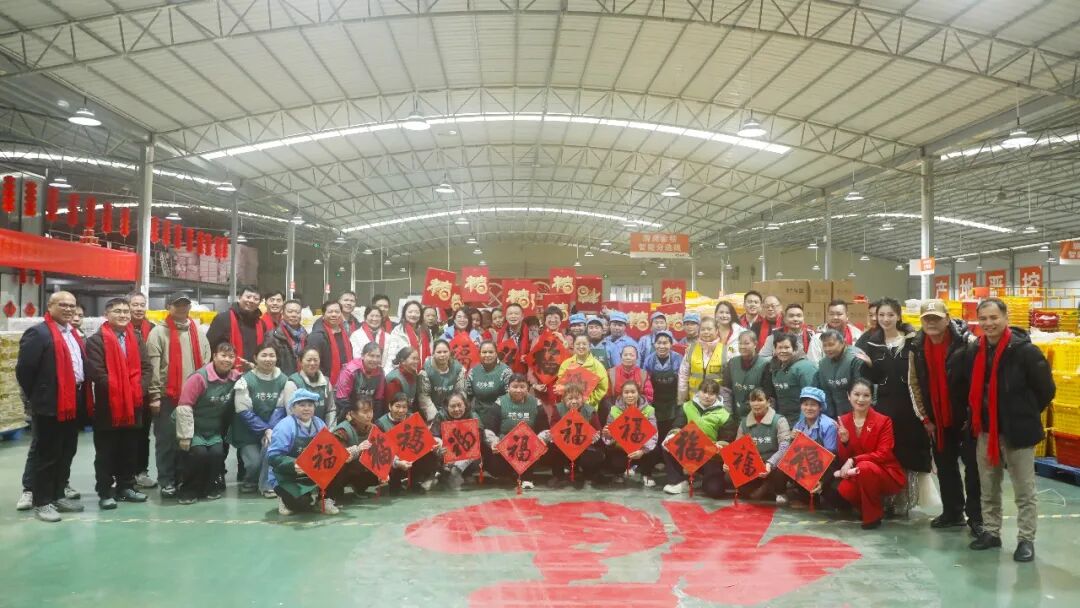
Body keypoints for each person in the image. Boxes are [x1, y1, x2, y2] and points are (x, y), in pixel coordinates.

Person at [954, 298, 1054, 562]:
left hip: (1017, 432)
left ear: (1005, 317)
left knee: (1024, 490)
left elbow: (1046, 389)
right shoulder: (975, 351)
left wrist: (1023, 413)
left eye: (994, 317)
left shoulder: (1025, 351)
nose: (989, 323)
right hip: (985, 430)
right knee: (988, 486)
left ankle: (1026, 539)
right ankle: (991, 532)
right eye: (983, 318)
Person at [908, 299, 982, 534]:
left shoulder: (967, 343)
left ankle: (977, 517)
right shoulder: (916, 346)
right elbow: (913, 383)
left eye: (936, 318)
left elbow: (978, 381)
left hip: (965, 419)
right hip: (937, 420)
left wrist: (973, 415)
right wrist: (925, 419)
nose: (931, 323)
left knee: (973, 469)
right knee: (945, 466)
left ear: (947, 319)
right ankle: (953, 512)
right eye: (927, 319)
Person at [855, 297, 930, 517]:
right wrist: (869, 366)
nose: (885, 319)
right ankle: (886, 499)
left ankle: (905, 501)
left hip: (909, 407)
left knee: (908, 453)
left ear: (898, 316)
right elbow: (873, 378)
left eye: (890, 315)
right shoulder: (871, 343)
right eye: (881, 315)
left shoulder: (913, 340)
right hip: (885, 407)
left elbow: (921, 373)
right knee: (887, 452)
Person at [16, 292, 87, 522]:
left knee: (66, 451)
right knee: (47, 454)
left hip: (72, 401)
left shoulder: (73, 333)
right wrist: (39, 396)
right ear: (50, 306)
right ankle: (42, 502)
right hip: (50, 404)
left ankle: (58, 495)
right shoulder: (39, 333)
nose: (68, 309)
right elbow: (24, 371)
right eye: (63, 305)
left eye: (72, 306)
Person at [84, 297, 153, 510]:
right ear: (107, 314)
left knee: (130, 449)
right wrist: (120, 391)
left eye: (125, 311)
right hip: (109, 406)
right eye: (118, 311)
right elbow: (97, 373)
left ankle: (126, 487)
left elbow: (146, 367)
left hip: (134, 405)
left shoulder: (136, 338)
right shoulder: (96, 341)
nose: (123, 315)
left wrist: (137, 390)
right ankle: (105, 491)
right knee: (106, 452)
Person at [145, 292, 210, 499]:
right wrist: (155, 395)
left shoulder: (197, 332)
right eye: (177, 304)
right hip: (168, 397)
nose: (182, 308)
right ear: (168, 307)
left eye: (185, 304)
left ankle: (183, 478)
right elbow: (153, 368)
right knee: (166, 441)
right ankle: (166, 480)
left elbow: (206, 362)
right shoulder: (158, 333)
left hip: (193, 398)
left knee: (188, 441)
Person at [175, 342, 242, 505]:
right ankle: (188, 490)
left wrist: (251, 366)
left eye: (231, 356)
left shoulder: (235, 377)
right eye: (223, 355)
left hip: (213, 429)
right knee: (199, 454)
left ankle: (209, 487)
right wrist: (185, 436)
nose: (227, 360)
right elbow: (184, 406)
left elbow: (254, 375)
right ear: (214, 356)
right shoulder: (199, 378)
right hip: (192, 427)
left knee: (217, 454)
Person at [835, 379, 906, 529]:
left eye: (866, 395)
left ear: (872, 398)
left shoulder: (883, 421)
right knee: (844, 489)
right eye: (856, 394)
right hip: (857, 472)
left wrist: (854, 459)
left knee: (865, 467)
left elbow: (883, 454)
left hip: (885, 472)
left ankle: (872, 518)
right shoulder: (843, 421)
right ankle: (870, 509)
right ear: (848, 395)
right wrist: (845, 442)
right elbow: (843, 458)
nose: (860, 399)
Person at [661, 379, 736, 497]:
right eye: (704, 392)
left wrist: (720, 445)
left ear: (717, 395)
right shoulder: (686, 407)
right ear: (698, 392)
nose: (707, 396)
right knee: (668, 443)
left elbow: (728, 439)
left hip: (711, 457)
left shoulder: (724, 415)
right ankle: (679, 481)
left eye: (711, 393)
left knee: (715, 491)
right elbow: (677, 426)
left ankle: (704, 480)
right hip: (689, 451)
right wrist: (672, 435)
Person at [267, 389, 336, 515]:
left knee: (336, 475)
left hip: (312, 472)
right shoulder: (285, 426)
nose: (306, 409)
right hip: (286, 476)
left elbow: (328, 449)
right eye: (302, 405)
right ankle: (283, 498)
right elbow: (273, 457)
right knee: (302, 504)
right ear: (293, 407)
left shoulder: (319, 424)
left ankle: (322, 499)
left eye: (310, 405)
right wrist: (294, 464)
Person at [232, 342, 287, 497]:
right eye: (264, 355)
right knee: (254, 463)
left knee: (271, 453)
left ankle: (268, 484)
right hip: (248, 432)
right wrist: (264, 429)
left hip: (272, 430)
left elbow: (280, 409)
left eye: (272, 355)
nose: (268, 359)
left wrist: (270, 430)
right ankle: (250, 480)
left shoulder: (283, 379)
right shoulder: (245, 380)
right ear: (255, 358)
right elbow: (243, 410)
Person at [771, 387, 839, 508]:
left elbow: (831, 456)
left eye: (813, 405)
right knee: (782, 465)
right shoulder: (799, 424)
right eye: (805, 404)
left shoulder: (829, 425)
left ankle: (811, 499)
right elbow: (792, 452)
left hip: (823, 467)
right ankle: (782, 494)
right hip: (805, 465)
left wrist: (807, 443)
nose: (808, 408)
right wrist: (793, 439)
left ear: (820, 407)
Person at [536, 383, 605, 489]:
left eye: (577, 398)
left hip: (584, 447)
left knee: (593, 455)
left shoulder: (590, 411)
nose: (574, 402)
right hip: (564, 445)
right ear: (564, 399)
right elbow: (554, 429)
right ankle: (558, 476)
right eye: (570, 398)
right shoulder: (558, 408)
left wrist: (595, 438)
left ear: (583, 398)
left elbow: (598, 431)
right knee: (552, 447)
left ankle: (589, 477)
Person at [732, 388, 792, 501]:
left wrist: (770, 463)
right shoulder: (744, 423)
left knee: (782, 468)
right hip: (753, 466)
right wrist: (729, 463)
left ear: (768, 402)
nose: (756, 404)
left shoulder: (779, 420)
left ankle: (778, 491)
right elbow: (738, 448)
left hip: (773, 466)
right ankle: (764, 489)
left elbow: (785, 448)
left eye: (760, 400)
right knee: (728, 476)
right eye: (753, 400)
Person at [640, 331, 683, 482]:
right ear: (654, 344)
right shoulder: (649, 360)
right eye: (659, 343)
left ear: (671, 344)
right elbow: (645, 382)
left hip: (673, 403)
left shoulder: (678, 359)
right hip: (655, 404)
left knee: (669, 437)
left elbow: (682, 382)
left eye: (665, 343)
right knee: (654, 436)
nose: (662, 346)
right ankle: (647, 470)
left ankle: (672, 471)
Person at [375, 392, 439, 493]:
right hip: (393, 458)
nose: (401, 410)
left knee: (431, 453)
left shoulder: (413, 418)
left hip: (412, 456)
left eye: (404, 407)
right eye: (397, 406)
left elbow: (425, 439)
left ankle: (416, 481)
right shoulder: (380, 424)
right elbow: (380, 450)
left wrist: (434, 444)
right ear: (390, 406)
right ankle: (395, 484)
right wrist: (397, 462)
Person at [484, 376, 541, 489]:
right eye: (515, 387)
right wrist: (494, 442)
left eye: (522, 387)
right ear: (508, 388)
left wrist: (541, 440)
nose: (518, 390)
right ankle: (510, 474)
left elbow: (544, 428)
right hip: (505, 446)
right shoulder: (499, 403)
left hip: (528, 446)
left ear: (528, 388)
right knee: (494, 465)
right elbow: (489, 428)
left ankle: (527, 478)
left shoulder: (536, 403)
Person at [601, 380, 659, 487]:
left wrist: (642, 451)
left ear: (638, 393)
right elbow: (607, 438)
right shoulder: (614, 410)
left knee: (654, 450)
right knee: (613, 458)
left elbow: (653, 435)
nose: (630, 395)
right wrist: (607, 435)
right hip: (621, 449)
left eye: (633, 392)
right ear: (622, 394)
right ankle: (619, 474)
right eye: (626, 392)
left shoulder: (649, 410)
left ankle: (646, 474)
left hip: (641, 450)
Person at [126, 291, 157, 490]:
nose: (139, 308)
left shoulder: (153, 330)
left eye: (142, 304)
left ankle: (141, 471)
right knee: (125, 434)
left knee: (143, 433)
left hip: (146, 389)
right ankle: (124, 473)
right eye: (135, 304)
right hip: (125, 390)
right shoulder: (121, 328)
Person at [431, 392, 487, 489]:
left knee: (476, 452)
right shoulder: (440, 416)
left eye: (459, 405)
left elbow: (480, 439)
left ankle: (460, 472)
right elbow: (434, 435)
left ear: (465, 405)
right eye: (453, 406)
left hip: (468, 457)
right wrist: (439, 446)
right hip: (447, 455)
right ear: (447, 407)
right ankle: (445, 473)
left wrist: (459, 462)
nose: (456, 409)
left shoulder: (473, 415)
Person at [326, 398, 380, 501]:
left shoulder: (373, 428)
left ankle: (359, 487)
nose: (369, 415)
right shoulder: (342, 430)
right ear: (353, 414)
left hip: (359, 468)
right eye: (365, 412)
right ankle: (330, 496)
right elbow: (338, 457)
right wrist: (358, 449)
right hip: (344, 470)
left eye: (371, 411)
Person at [765, 333, 818, 426]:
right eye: (780, 347)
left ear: (794, 348)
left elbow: (811, 399)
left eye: (787, 347)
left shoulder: (805, 368)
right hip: (782, 421)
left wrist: (802, 425)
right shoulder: (775, 367)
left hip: (802, 422)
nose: (783, 351)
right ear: (775, 349)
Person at [206, 285, 263, 368]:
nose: (251, 301)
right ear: (239, 298)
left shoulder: (261, 324)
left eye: (256, 299)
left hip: (254, 371)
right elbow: (208, 347)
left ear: (259, 303)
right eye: (248, 297)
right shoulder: (223, 319)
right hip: (226, 371)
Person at [814, 328, 866, 417]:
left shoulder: (856, 358)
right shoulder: (823, 363)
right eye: (824, 345)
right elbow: (825, 391)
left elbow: (862, 390)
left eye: (831, 344)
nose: (827, 349)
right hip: (836, 412)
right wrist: (830, 416)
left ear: (843, 343)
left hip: (857, 410)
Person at [723, 330, 772, 421]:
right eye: (740, 343)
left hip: (758, 415)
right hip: (735, 414)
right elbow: (726, 389)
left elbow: (768, 393)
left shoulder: (765, 364)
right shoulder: (732, 363)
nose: (742, 346)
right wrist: (728, 413)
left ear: (755, 344)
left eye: (746, 343)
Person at [467, 341, 513, 431]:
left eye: (491, 352)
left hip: (501, 417)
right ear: (479, 354)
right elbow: (468, 397)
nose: (487, 355)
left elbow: (511, 399)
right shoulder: (473, 372)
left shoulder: (506, 371)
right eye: (484, 352)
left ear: (496, 354)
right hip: (478, 417)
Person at [283, 346, 336, 426]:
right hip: (299, 430)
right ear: (300, 362)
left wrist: (329, 430)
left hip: (323, 429)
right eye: (309, 360)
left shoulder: (326, 382)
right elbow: (291, 414)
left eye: (315, 360)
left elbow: (331, 410)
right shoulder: (293, 383)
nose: (312, 363)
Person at [557, 334, 610, 411]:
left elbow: (602, 388)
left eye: (584, 344)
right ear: (573, 346)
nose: (581, 346)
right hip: (567, 406)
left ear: (589, 346)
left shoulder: (598, 366)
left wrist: (588, 401)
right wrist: (569, 400)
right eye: (578, 344)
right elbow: (560, 384)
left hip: (588, 408)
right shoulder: (566, 364)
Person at [678, 317, 724, 403]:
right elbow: (683, 376)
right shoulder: (691, 349)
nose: (706, 332)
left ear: (717, 331)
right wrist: (681, 400)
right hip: (694, 400)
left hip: (716, 402)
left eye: (709, 329)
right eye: (703, 329)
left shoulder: (726, 351)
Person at [307, 300, 353, 385]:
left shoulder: (343, 332)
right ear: (323, 315)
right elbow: (311, 362)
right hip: (325, 382)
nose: (334, 314)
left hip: (345, 381)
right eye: (330, 312)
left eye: (337, 312)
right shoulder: (317, 336)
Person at [335, 342, 386, 418]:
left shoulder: (380, 373)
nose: (375, 360)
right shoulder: (350, 371)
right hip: (348, 411)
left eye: (378, 356)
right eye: (371, 356)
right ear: (362, 355)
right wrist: (355, 418)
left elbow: (378, 400)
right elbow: (342, 399)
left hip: (368, 413)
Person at [419, 339, 465, 421]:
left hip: (453, 408)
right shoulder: (426, 370)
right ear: (433, 354)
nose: (442, 355)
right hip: (432, 410)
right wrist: (436, 417)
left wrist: (456, 410)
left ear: (449, 352)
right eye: (439, 352)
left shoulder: (458, 368)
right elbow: (424, 397)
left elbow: (461, 392)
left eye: (445, 352)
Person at [760, 303, 824, 363]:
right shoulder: (775, 336)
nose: (795, 319)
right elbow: (762, 358)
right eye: (791, 316)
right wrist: (780, 357)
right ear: (785, 319)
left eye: (799, 316)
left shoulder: (812, 335)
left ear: (803, 318)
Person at [385, 301, 431, 372]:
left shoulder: (426, 331)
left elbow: (430, 354)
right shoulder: (398, 331)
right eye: (410, 312)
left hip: (423, 373)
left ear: (421, 314)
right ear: (404, 313)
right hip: (403, 372)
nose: (413, 314)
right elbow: (391, 355)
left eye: (417, 312)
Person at [269, 299, 307, 374]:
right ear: (283, 313)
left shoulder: (305, 335)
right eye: (290, 312)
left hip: (302, 377)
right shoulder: (273, 335)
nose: (294, 315)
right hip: (282, 378)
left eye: (297, 312)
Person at [386, 347, 424, 416]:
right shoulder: (395, 380)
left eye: (417, 359)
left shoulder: (414, 375)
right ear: (403, 361)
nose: (416, 362)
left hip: (408, 414)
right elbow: (393, 408)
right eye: (413, 358)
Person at [496, 303, 530, 374]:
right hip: (505, 373)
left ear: (522, 316)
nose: (513, 316)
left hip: (524, 374)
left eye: (516, 314)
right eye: (510, 314)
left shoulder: (531, 334)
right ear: (506, 316)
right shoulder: (500, 335)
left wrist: (528, 357)